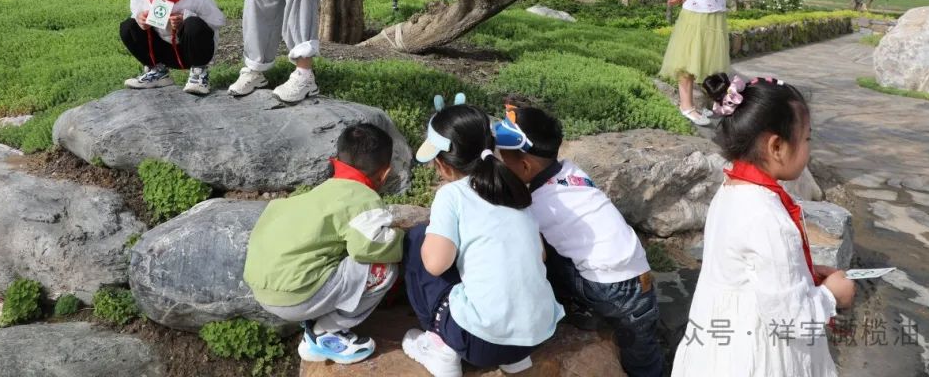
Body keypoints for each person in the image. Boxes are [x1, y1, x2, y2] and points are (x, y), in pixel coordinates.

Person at [671, 74, 856, 377]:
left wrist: (801, 273)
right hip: (758, 353)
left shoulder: (731, 191)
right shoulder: (768, 217)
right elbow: (790, 319)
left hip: (719, 345)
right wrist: (832, 295)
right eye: (807, 139)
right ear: (777, 146)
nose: (809, 148)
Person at [494, 104, 663, 377]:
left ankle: (579, 307)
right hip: (638, 275)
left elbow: (526, 249)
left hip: (608, 288)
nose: (502, 165)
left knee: (541, 254)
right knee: (642, 347)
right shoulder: (572, 172)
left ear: (525, 166)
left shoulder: (539, 205)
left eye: (504, 161)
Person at [403, 99, 563, 377]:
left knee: (417, 238)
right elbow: (541, 254)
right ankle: (514, 359)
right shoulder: (513, 188)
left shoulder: (451, 195)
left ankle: (440, 347)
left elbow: (435, 266)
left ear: (441, 164)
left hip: (480, 343)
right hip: (536, 335)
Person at [243, 123, 402, 365]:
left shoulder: (316, 194)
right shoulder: (363, 199)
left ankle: (313, 331)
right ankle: (326, 332)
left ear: (337, 159)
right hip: (297, 295)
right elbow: (369, 247)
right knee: (383, 268)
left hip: (262, 291)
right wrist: (399, 237)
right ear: (385, 173)